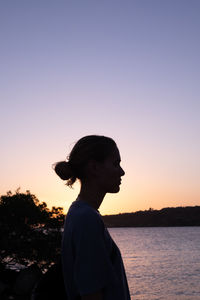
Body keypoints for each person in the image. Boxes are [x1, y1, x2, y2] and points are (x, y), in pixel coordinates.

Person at [54, 135, 131, 300]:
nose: (122, 171)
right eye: (115, 163)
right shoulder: (86, 218)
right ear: (94, 167)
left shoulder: (79, 213)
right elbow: (91, 294)